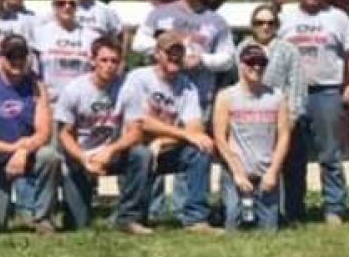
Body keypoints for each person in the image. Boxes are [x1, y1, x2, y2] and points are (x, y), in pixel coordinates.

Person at [113, 32, 221, 235]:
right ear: (157, 54)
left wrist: (162, 141)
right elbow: (138, 122)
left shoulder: (188, 86)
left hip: (163, 149)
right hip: (130, 149)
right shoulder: (138, 78)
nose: (175, 57)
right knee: (142, 153)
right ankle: (128, 218)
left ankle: (196, 219)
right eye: (169, 52)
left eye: (179, 52)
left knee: (201, 148)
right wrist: (182, 134)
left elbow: (195, 129)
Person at [280, 0, 349, 226]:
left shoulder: (338, 18)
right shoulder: (284, 17)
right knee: (292, 153)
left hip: (326, 91)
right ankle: (293, 209)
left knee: (329, 153)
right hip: (291, 93)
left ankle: (334, 208)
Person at [0, 33, 62, 232]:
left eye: (21, 56)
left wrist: (23, 150)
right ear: (1, 59)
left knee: (50, 157)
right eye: (11, 57)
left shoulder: (36, 88)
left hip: (25, 158)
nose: (17, 61)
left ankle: (42, 218)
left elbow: (44, 131)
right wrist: (10, 148)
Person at [53, 37, 139, 231]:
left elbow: (135, 132)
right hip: (79, 156)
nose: (109, 66)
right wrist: (83, 159)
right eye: (104, 60)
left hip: (111, 154)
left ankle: (127, 218)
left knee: (141, 155)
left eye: (114, 61)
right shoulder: (74, 90)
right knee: (78, 226)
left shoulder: (128, 89)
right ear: (93, 61)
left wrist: (111, 150)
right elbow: (64, 135)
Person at [130, 0, 235, 112]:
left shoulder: (217, 22)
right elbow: (138, 43)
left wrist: (202, 60)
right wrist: (169, 54)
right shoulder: (159, 14)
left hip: (199, 100)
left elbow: (229, 59)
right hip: (160, 99)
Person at [214, 42, 292, 232]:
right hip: (236, 172)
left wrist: (273, 172)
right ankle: (224, 208)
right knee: (234, 225)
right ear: (240, 64)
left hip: (266, 171)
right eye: (251, 62)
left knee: (268, 230)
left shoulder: (277, 97)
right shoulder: (226, 96)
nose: (256, 67)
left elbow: (283, 136)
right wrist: (237, 173)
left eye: (261, 62)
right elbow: (220, 138)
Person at [32, 0, 97, 106]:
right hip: (50, 103)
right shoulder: (39, 34)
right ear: (53, 6)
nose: (67, 7)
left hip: (80, 104)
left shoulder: (91, 37)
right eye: (61, 3)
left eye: (71, 3)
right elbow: (33, 73)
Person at [245, 1, 307, 125]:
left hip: (279, 117)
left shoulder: (289, 50)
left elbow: (297, 86)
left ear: (277, 26)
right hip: (247, 117)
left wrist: (291, 118)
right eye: (259, 23)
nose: (265, 27)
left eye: (270, 23)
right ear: (252, 25)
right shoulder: (241, 49)